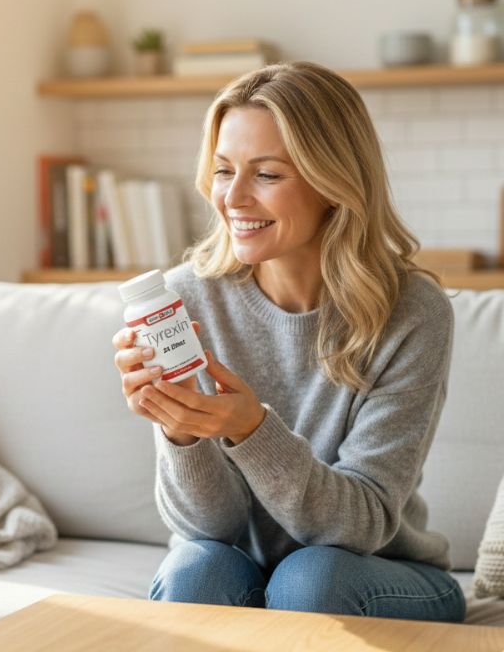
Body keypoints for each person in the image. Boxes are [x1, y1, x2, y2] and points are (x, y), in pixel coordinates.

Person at [112, 61, 466, 622]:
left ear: (333, 183)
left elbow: (364, 524)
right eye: (224, 171)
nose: (234, 198)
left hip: (378, 573)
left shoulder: (411, 314)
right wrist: (181, 432)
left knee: (312, 578)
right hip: (245, 569)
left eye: (268, 174)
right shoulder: (183, 303)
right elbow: (210, 530)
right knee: (197, 569)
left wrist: (251, 430)